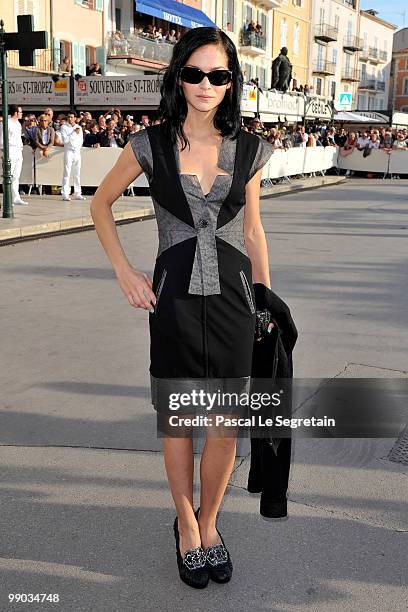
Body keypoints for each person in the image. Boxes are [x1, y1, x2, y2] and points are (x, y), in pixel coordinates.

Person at [89, 26, 274, 590]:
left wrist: (265, 300)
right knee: (179, 425)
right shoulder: (149, 144)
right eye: (194, 73)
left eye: (218, 75)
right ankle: (186, 526)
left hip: (233, 303)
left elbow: (253, 228)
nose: (205, 84)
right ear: (177, 76)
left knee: (223, 429)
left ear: (231, 82)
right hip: (171, 301)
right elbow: (100, 204)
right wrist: (124, 269)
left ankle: (210, 524)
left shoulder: (249, 148)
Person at [0, 104, 28, 205]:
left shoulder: (18, 124)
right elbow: (2, 139)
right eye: (20, 112)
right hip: (10, 150)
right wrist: (3, 152)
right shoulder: (6, 123)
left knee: (16, 175)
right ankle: (8, 198)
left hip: (18, 151)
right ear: (16, 113)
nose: (22, 114)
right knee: (9, 175)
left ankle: (16, 197)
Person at [59, 111, 86, 201]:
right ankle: (65, 193)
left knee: (77, 173)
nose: (70, 119)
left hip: (77, 152)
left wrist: (76, 146)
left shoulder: (79, 127)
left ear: (75, 118)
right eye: (69, 117)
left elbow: (81, 141)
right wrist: (74, 133)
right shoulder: (64, 127)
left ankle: (78, 193)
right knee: (67, 172)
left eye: (71, 117)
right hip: (68, 151)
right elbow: (65, 141)